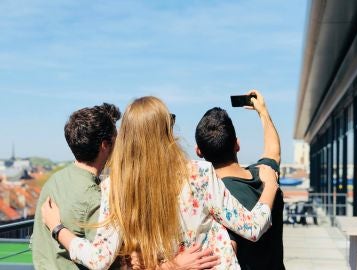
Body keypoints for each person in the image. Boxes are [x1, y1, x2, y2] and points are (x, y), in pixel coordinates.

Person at [41, 96, 280, 269]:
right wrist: (269, 185)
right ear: (166, 133)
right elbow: (252, 228)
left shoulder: (116, 188)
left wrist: (57, 229)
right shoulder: (200, 174)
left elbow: (98, 260)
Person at [195, 90, 285, 270]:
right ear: (237, 144)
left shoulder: (216, 197)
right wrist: (263, 112)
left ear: (199, 151)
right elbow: (273, 151)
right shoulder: (265, 175)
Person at [31, 103, 121, 269]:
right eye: (116, 140)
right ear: (105, 145)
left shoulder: (54, 181)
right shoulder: (94, 197)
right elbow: (102, 260)